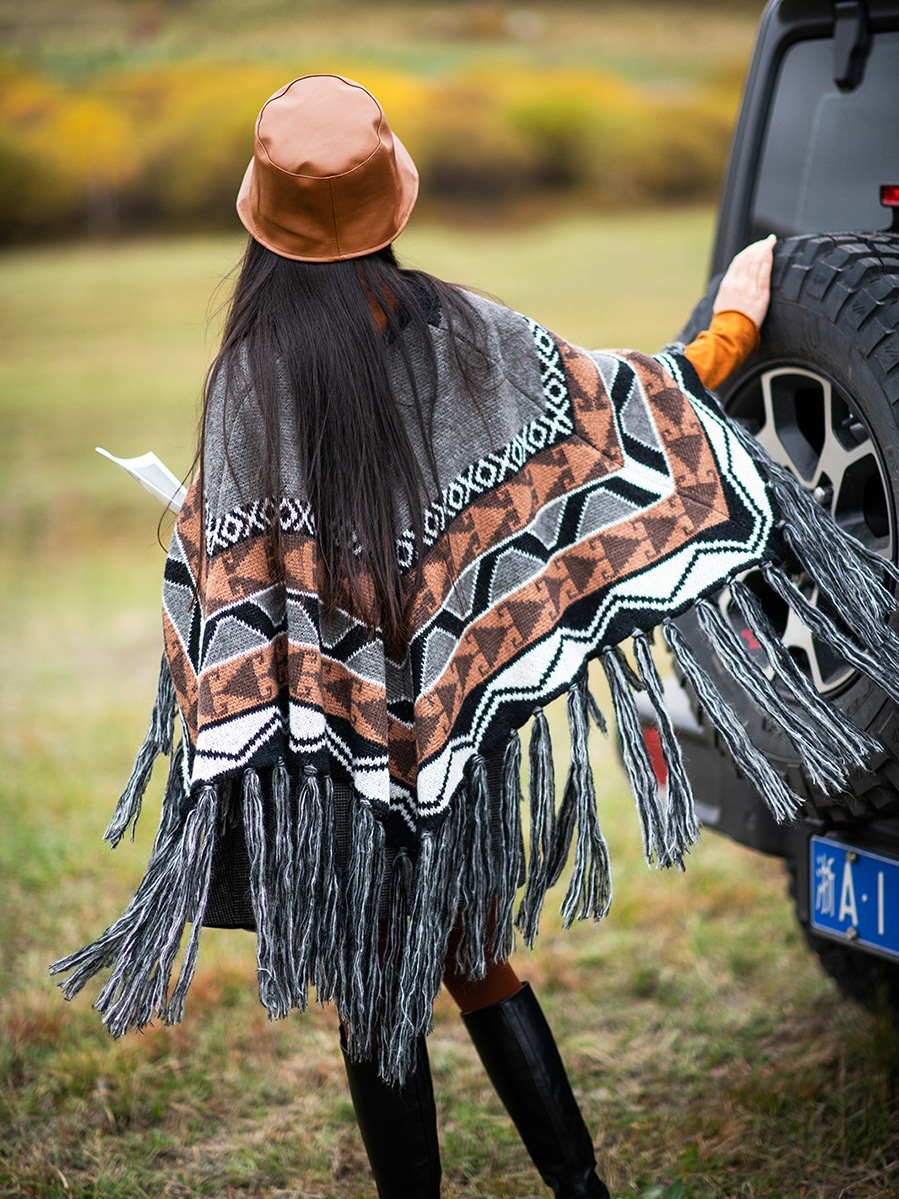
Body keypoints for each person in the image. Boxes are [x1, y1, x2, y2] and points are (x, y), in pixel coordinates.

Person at [52, 75, 899, 1199]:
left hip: (328, 757)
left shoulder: (246, 379)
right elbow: (617, 409)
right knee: (475, 960)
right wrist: (736, 324)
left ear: (263, 219)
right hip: (453, 729)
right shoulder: (458, 332)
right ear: (389, 205)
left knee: (375, 991)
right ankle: (581, 1187)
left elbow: (226, 583)